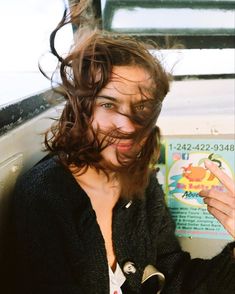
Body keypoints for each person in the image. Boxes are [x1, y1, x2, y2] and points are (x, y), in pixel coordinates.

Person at [7, 1, 235, 293]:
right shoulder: (44, 196)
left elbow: (176, 278)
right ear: (82, 108)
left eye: (141, 106)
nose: (127, 125)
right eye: (108, 104)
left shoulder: (140, 184)